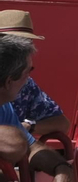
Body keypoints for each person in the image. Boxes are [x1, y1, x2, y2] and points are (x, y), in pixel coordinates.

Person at [0, 36, 74, 181]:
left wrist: (61, 168)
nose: (29, 79)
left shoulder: (4, 106)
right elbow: (16, 145)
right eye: (28, 72)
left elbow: (31, 147)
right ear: (9, 81)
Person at [0, 10, 68, 140]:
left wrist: (28, 126)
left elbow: (62, 123)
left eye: (27, 43)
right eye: (14, 44)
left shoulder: (25, 82)